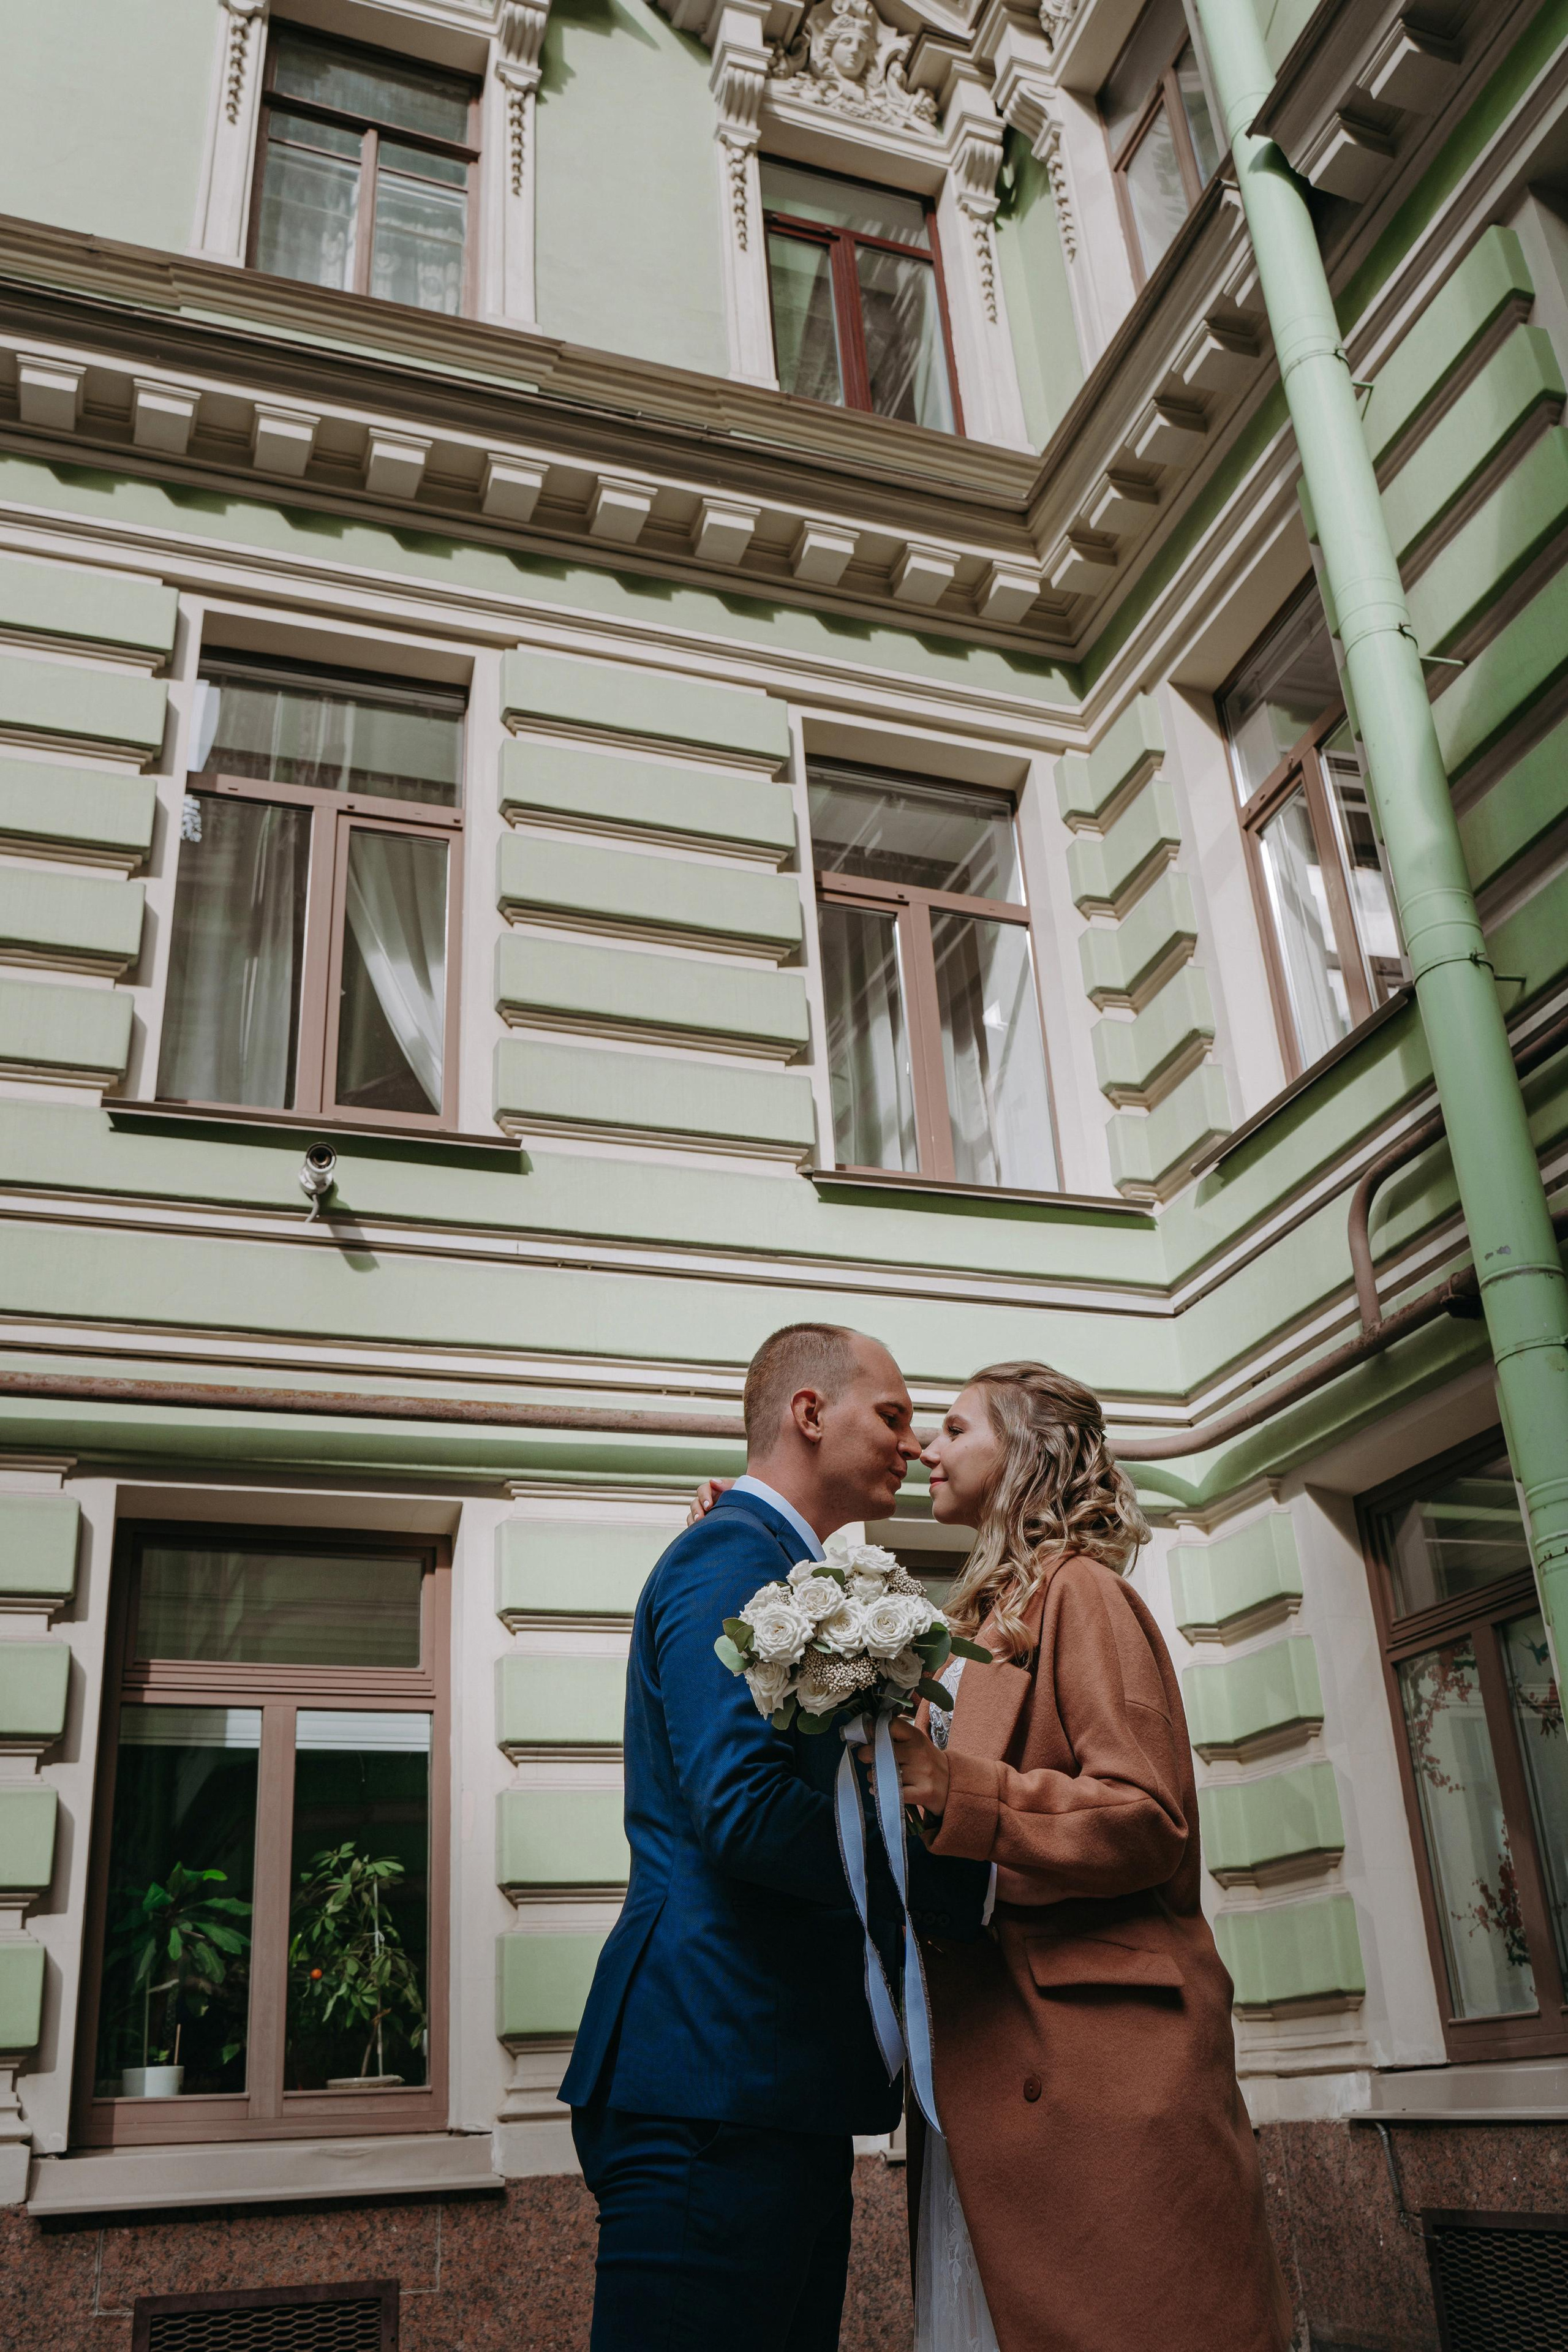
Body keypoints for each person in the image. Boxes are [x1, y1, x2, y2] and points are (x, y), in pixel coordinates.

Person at [692, 1360, 1292, 2352]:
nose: (926, 1445)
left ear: (1023, 1456)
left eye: (956, 1429)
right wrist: (753, 1551)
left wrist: (959, 1789)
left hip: (1092, 2078)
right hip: (986, 2065)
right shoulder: (979, 1626)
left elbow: (1145, 1815)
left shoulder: (1085, 1595)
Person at [561, 1321, 989, 2352]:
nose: (910, 1443)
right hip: (713, 2078)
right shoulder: (731, 1557)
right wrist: (954, 1887)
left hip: (771, 2086)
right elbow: (743, 1811)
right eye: (890, 1415)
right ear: (809, 1413)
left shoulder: (781, 1564)